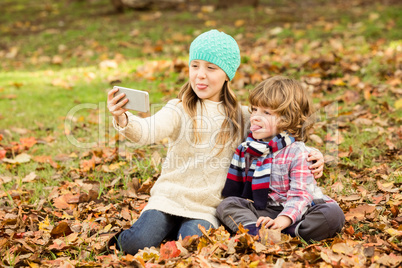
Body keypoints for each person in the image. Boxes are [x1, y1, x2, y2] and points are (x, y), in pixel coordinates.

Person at [107, 30, 325, 255]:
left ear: (227, 74)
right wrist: (123, 118)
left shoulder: (242, 117)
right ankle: (158, 229)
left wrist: (312, 154)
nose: (200, 75)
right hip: (168, 199)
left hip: (207, 207)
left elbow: (280, 137)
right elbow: (147, 131)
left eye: (211, 68)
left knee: (192, 248)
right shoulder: (178, 109)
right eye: (195, 66)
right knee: (134, 244)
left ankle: (171, 233)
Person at [217, 76, 345, 243]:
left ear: (287, 119)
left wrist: (282, 221)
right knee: (227, 205)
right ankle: (256, 232)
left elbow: (301, 195)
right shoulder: (250, 147)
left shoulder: (298, 152)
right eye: (254, 109)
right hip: (268, 209)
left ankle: (288, 231)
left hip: (302, 210)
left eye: (266, 112)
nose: (255, 117)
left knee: (332, 215)